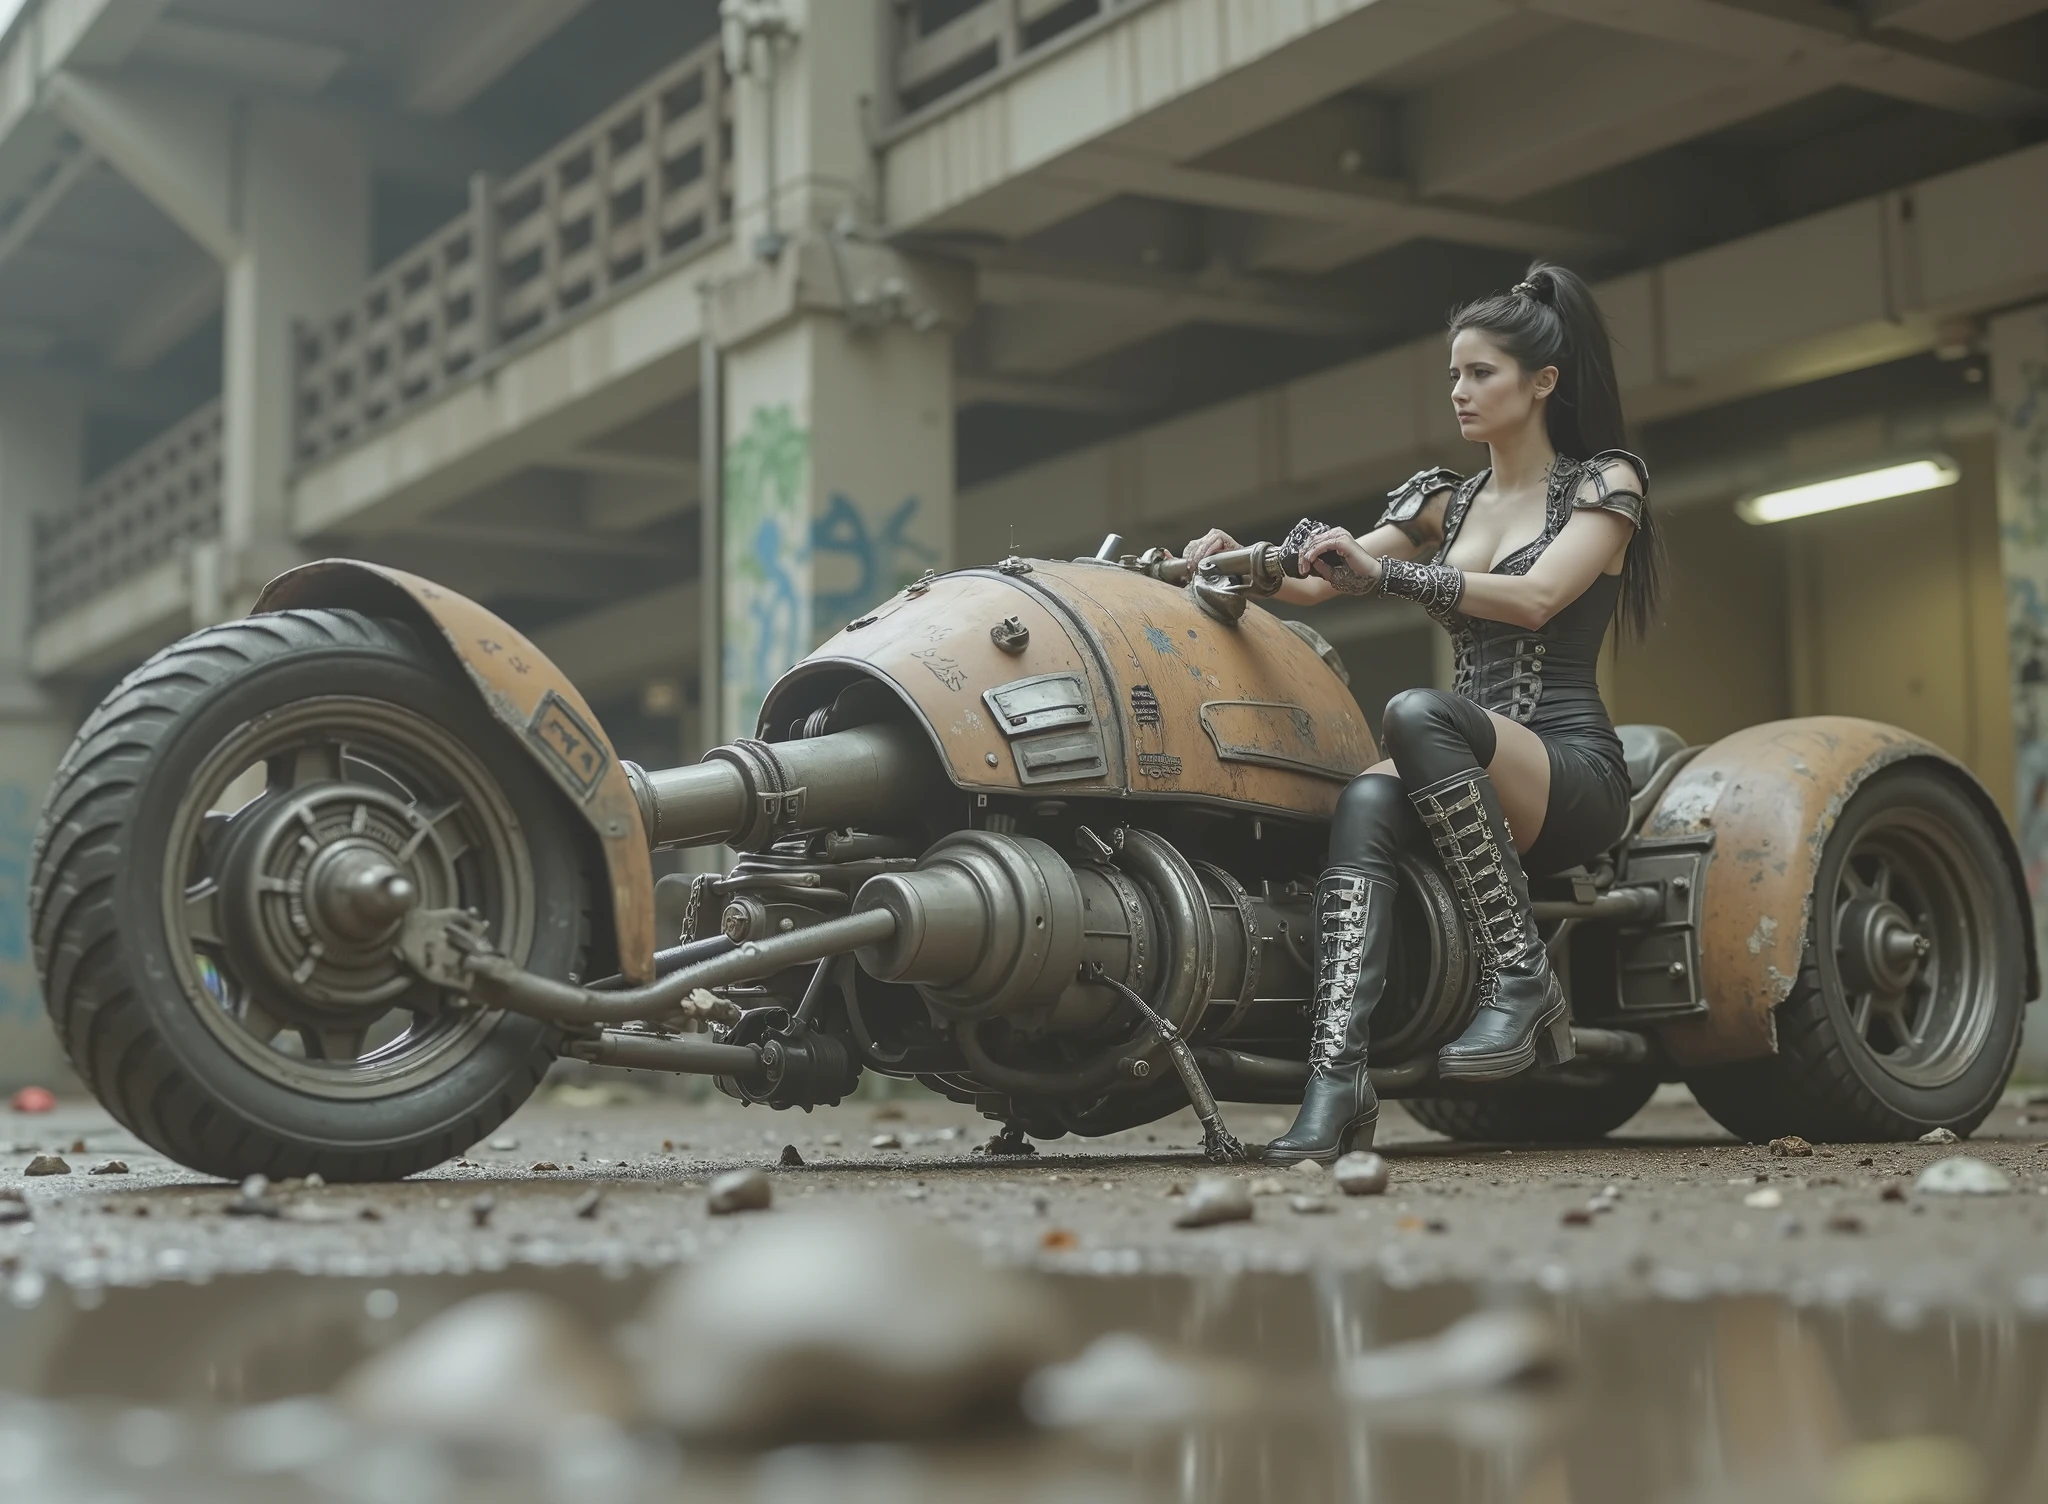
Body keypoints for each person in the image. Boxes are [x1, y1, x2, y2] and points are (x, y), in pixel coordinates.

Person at [1184, 261, 1663, 1164]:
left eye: (1480, 372)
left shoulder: (1605, 484)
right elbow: (1320, 581)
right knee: (1366, 800)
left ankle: (1522, 980)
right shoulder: (1446, 498)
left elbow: (1535, 600)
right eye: (1453, 373)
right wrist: (1237, 559)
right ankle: (1337, 1088)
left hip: (1564, 771)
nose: (1460, 390)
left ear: (1543, 382)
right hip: (1454, 762)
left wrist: (1389, 574)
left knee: (1415, 713)